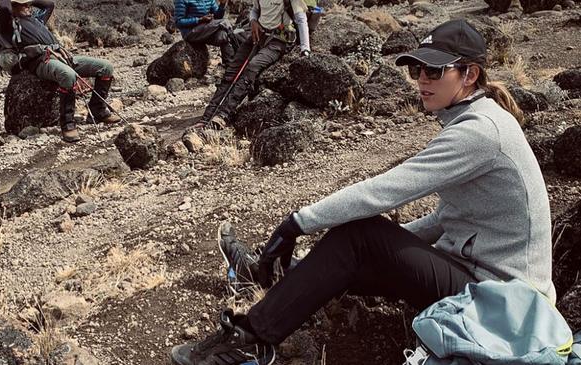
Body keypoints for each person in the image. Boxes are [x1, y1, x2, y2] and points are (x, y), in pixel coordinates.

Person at [170, 19, 555, 365]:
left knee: (359, 234)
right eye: (417, 68)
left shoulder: (480, 131)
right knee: (354, 248)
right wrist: (382, 244)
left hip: (506, 304)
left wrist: (296, 223)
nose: (421, 79)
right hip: (482, 283)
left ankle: (249, 340)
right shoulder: (475, 120)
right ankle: (266, 275)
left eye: (434, 70)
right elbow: (446, 219)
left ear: (469, 74)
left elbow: (386, 190)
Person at [0, 0, 120, 143]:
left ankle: (98, 110)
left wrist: (28, 1)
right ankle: (67, 124)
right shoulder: (9, 24)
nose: (28, 7)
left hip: (63, 56)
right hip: (41, 62)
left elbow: (49, 4)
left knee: (106, 67)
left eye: (28, 4)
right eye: (23, 4)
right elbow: (3, 8)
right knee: (67, 75)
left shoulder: (37, 19)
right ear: (13, 7)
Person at [191, 0, 312, 131]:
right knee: (231, 71)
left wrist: (305, 49)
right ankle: (206, 117)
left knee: (251, 67)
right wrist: (253, 21)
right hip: (259, 34)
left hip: (279, 40)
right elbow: (255, 10)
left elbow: (301, 19)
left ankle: (223, 115)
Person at [174, 0, 237, 66]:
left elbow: (218, 17)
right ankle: (240, 52)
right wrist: (199, 20)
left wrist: (222, 5)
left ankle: (229, 65)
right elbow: (178, 22)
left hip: (205, 30)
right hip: (190, 32)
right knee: (224, 22)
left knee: (223, 35)